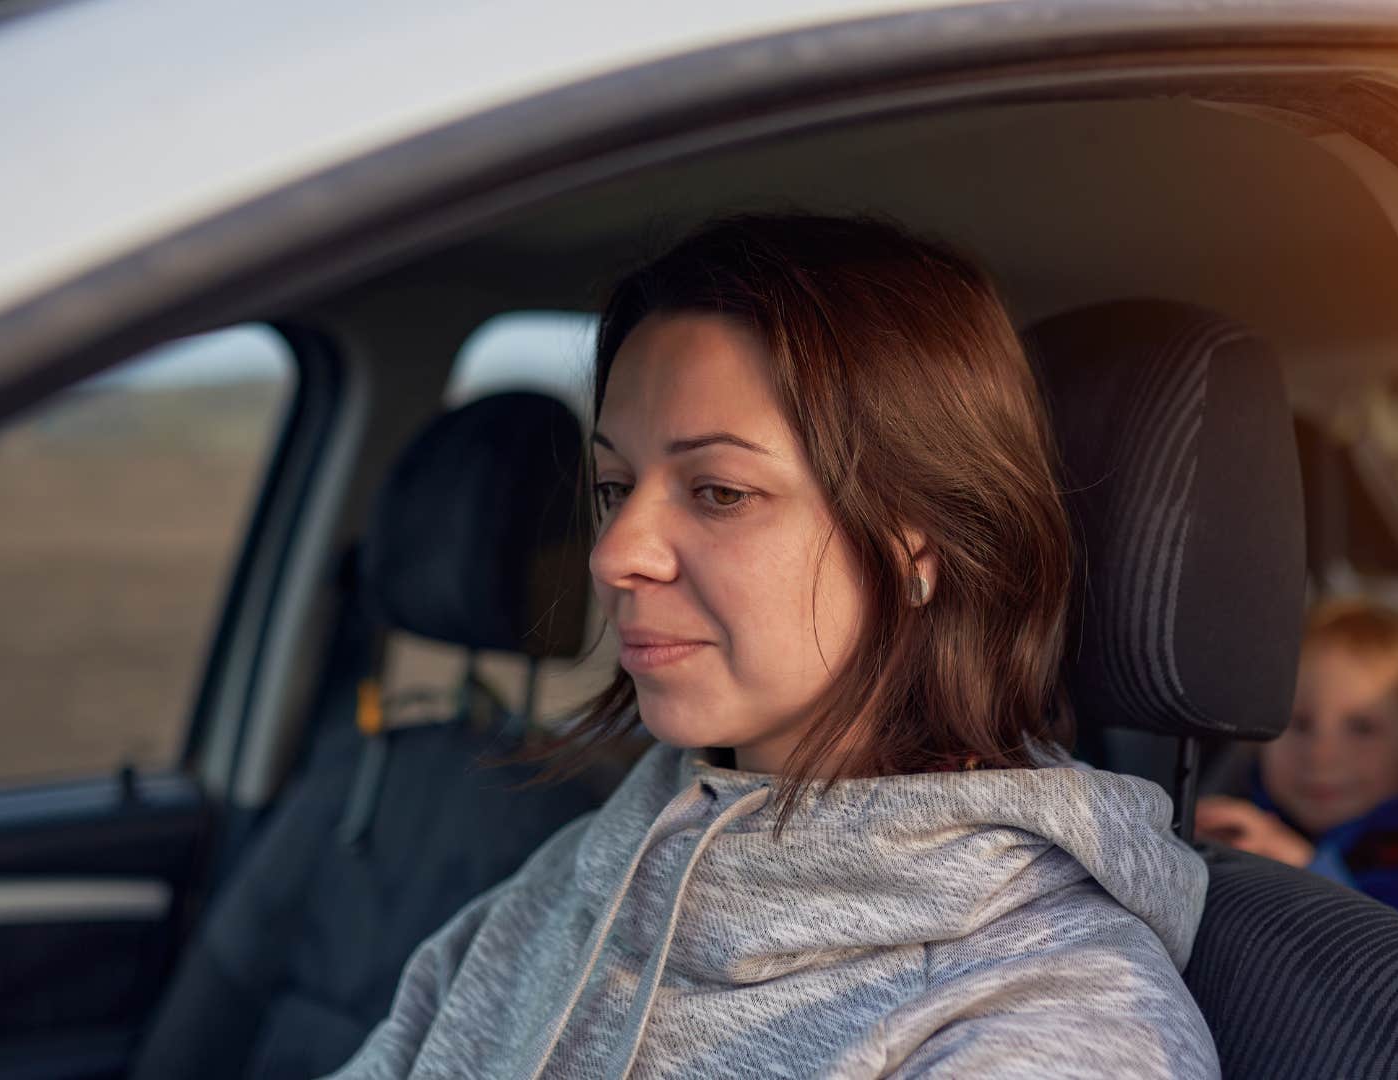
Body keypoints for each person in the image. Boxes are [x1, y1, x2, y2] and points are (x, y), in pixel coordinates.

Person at [326, 216, 1218, 1079]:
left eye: (718, 491)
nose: (614, 553)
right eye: (614, 486)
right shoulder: (583, 877)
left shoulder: (1050, 1025)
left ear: (921, 548)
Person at [1195, 600, 1398, 929]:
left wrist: (1304, 866)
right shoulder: (1243, 811)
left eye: (1363, 728)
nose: (1321, 755)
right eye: (1298, 723)